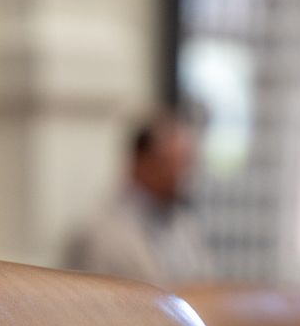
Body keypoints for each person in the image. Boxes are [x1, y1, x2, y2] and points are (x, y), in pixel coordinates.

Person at [62, 109, 213, 285]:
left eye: (186, 164)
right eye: (172, 163)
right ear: (141, 161)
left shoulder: (184, 225)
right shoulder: (98, 233)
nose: (182, 176)